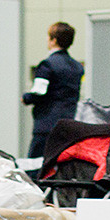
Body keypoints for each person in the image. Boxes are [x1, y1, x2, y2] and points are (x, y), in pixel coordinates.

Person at [22, 22, 84, 159]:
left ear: (53, 40)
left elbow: (38, 93)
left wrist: (26, 98)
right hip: (69, 123)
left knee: (35, 166)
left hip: (47, 125)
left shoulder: (47, 65)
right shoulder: (77, 67)